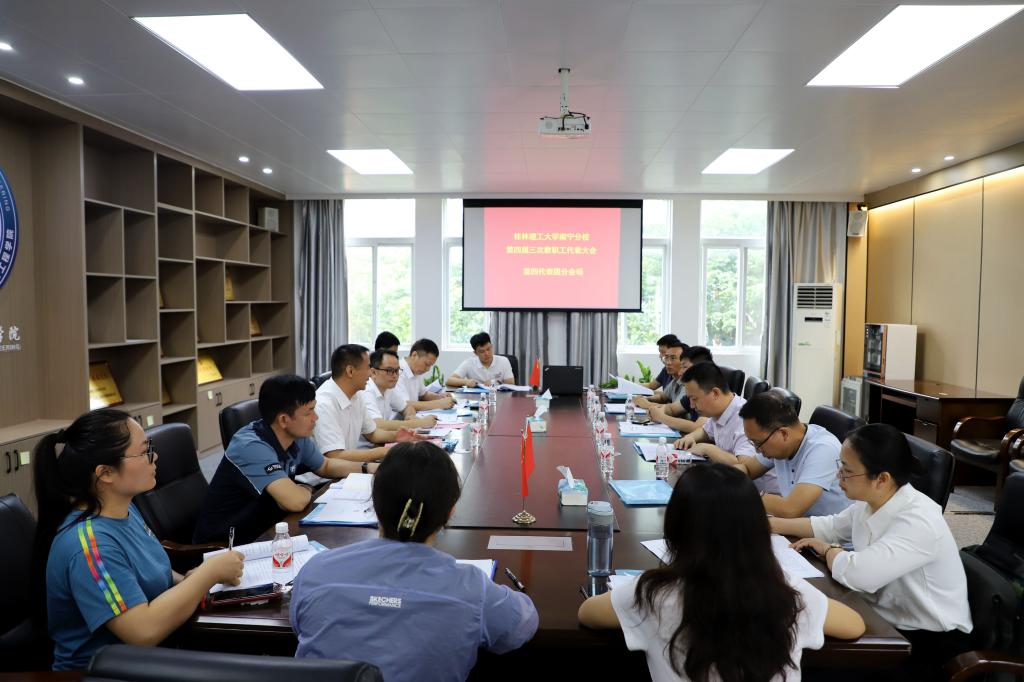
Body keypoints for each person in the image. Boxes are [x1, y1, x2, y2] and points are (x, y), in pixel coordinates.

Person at [578, 463, 865, 682]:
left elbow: (588, 613)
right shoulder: (787, 594)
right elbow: (854, 625)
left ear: (676, 528)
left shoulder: (654, 592)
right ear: (758, 528)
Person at [291, 441, 539, 682]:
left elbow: (300, 626)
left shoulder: (315, 571)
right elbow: (522, 625)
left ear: (374, 503)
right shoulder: (472, 588)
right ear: (450, 512)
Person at [33, 409, 245, 670]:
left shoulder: (123, 507)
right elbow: (142, 632)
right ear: (105, 473)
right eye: (145, 451)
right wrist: (207, 574)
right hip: (105, 671)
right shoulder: (89, 546)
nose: (154, 456)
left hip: (153, 656)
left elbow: (150, 569)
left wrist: (191, 581)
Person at [773, 424, 972, 681]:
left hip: (926, 643)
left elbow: (858, 574)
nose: (838, 476)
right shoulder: (874, 501)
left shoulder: (918, 521)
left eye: (847, 471)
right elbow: (830, 526)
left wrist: (831, 550)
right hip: (886, 614)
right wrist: (769, 524)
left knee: (809, 659)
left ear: (882, 479)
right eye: (840, 466)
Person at [194, 374, 371, 544]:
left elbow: (325, 465)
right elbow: (294, 502)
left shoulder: (296, 436)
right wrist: (306, 488)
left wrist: (367, 468)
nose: (315, 418)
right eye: (309, 412)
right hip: (227, 544)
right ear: (284, 420)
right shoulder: (250, 446)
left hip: (268, 527)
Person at [729, 391, 851, 518]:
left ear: (784, 434)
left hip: (831, 529)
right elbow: (748, 468)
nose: (757, 450)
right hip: (800, 523)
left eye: (758, 443)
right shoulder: (780, 445)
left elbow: (790, 509)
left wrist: (744, 494)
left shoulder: (823, 449)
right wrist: (727, 480)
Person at [314, 345, 418, 463]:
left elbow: (372, 433)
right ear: (350, 371)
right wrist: (385, 451)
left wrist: (397, 436)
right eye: (368, 367)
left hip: (350, 466)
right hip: (331, 473)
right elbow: (335, 455)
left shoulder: (356, 395)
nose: (370, 373)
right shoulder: (324, 403)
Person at [362, 349, 437, 441]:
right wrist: (420, 423)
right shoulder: (366, 391)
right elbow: (378, 424)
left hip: (383, 441)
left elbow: (407, 407)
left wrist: (410, 416)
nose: (395, 375)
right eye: (389, 370)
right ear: (373, 372)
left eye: (397, 370)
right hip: (367, 447)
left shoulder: (388, 388)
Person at [647, 345, 713, 435]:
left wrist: (661, 417)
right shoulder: (692, 392)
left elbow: (698, 427)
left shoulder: (709, 392)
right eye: (681, 367)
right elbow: (671, 409)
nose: (680, 372)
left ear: (700, 368)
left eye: (684, 367)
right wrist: (657, 410)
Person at [398, 338, 455, 411]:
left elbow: (423, 395)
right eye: (426, 364)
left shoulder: (415, 370)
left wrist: (440, 397)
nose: (428, 369)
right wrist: (439, 404)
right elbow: (404, 405)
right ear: (414, 355)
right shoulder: (397, 371)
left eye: (430, 365)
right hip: (399, 417)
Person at [447, 332, 515, 388]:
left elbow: (511, 384)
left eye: (488, 349)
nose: (487, 354)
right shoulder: (469, 363)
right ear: (475, 353)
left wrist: (495, 382)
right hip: (476, 398)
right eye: (482, 351)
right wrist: (466, 382)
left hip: (499, 397)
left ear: (492, 346)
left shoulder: (504, 361)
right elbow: (449, 380)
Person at [635, 339, 688, 409]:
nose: (668, 362)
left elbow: (673, 409)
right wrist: (646, 399)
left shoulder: (688, 384)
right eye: (666, 358)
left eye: (673, 358)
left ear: (684, 361)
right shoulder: (675, 381)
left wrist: (646, 404)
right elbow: (662, 397)